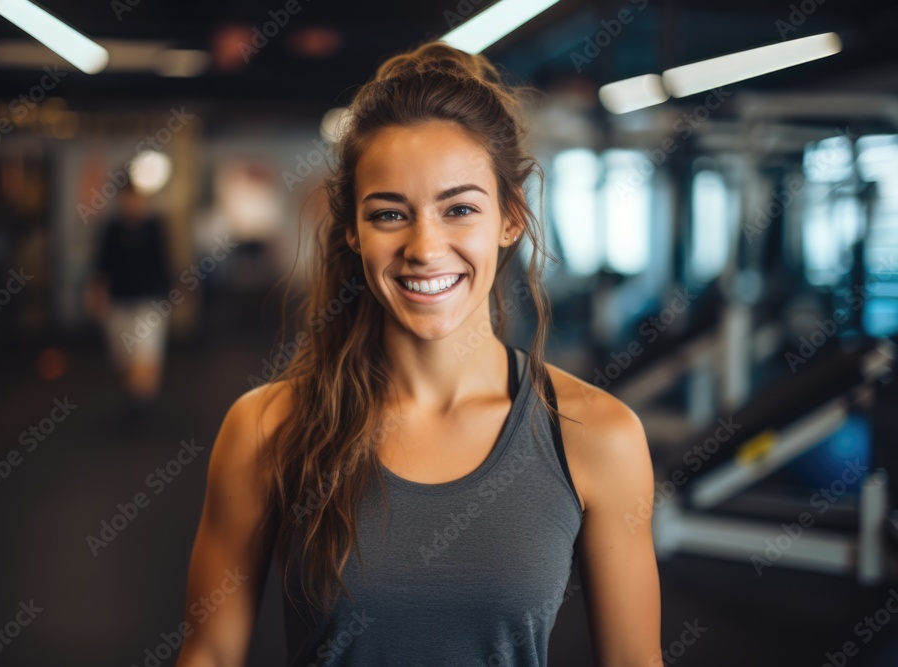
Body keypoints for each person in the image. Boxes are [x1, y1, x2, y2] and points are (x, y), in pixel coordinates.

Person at [176, 41, 661, 666]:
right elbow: (209, 656)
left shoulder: (599, 436)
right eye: (389, 215)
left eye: (459, 209)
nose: (425, 248)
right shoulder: (267, 429)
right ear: (352, 228)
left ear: (511, 218)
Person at [87, 179, 173, 421]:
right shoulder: (112, 230)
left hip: (149, 303)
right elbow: (101, 268)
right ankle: (134, 398)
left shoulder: (154, 227)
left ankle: (141, 403)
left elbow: (164, 263)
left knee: (145, 354)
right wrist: (97, 295)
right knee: (124, 357)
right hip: (119, 303)